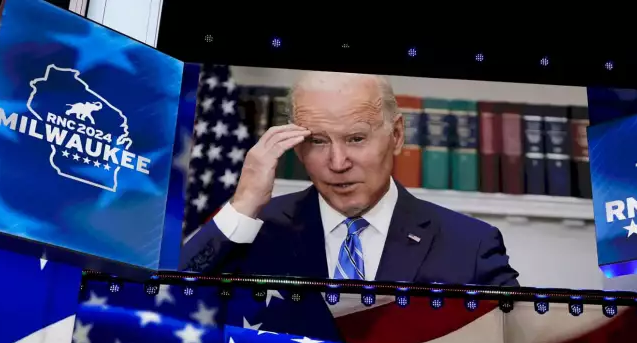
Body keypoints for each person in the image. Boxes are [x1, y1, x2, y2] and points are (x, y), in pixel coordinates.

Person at [180, 71, 519, 286]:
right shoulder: (252, 231)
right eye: (318, 141)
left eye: (356, 139)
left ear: (396, 135)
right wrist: (243, 204)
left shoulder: (470, 246)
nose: (338, 163)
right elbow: (166, 305)